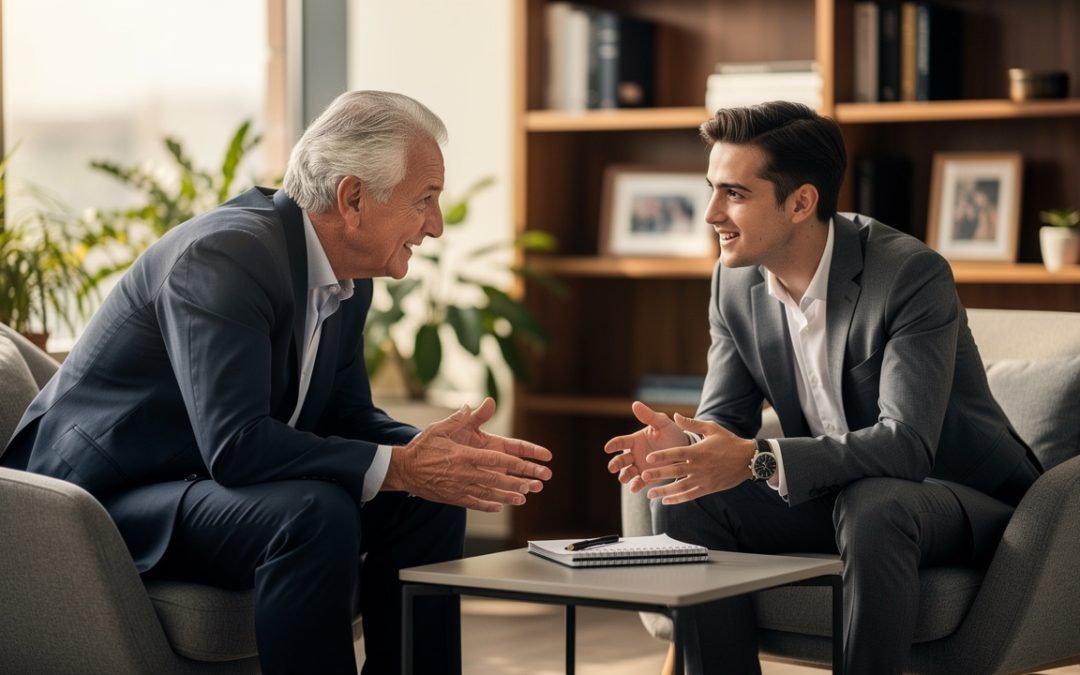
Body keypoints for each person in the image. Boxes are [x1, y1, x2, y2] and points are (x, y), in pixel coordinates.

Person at [1, 90, 553, 675]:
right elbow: (236, 446)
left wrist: (428, 455)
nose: (436, 226)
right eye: (425, 200)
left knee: (429, 498)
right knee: (313, 512)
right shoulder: (225, 257)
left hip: (201, 480)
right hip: (104, 499)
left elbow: (346, 415)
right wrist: (400, 465)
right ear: (354, 198)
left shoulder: (346, 277)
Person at [603, 101, 1041, 674]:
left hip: (957, 498)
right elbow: (724, 426)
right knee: (691, 492)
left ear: (801, 202)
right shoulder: (733, 284)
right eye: (711, 188)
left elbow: (907, 446)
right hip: (836, 494)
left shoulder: (909, 275)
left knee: (875, 502)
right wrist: (685, 448)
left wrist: (758, 459)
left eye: (733, 193)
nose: (710, 212)